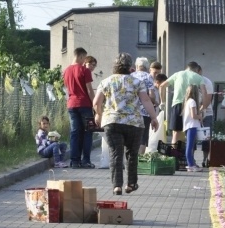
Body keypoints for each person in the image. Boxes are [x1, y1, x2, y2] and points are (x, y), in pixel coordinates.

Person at [93, 53, 159, 195]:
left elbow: (96, 102)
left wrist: (98, 114)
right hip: (134, 123)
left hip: (112, 122)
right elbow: (146, 100)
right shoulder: (137, 82)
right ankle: (131, 184)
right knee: (132, 154)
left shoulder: (105, 82)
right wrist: (154, 117)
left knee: (115, 153)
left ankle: (117, 186)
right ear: (130, 67)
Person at [158, 61, 205, 147]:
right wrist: (202, 107)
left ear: (187, 68)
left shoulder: (177, 74)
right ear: (196, 69)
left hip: (178, 104)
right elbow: (204, 92)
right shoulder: (199, 77)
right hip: (192, 105)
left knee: (176, 132)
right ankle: (190, 153)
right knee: (191, 131)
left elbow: (162, 86)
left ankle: (175, 152)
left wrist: (162, 101)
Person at [63, 47, 96, 169]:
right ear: (81, 56)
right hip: (85, 104)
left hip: (71, 104)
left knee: (75, 132)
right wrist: (95, 104)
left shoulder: (66, 71)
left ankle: (74, 161)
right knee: (88, 132)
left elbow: (67, 88)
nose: (84, 61)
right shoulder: (84, 70)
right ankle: (86, 160)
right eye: (84, 58)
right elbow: (89, 89)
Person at [132, 57, 160, 155]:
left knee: (132, 136)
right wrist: (155, 102)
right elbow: (151, 95)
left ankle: (130, 158)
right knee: (143, 137)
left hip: (132, 111)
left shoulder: (131, 76)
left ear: (136, 66)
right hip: (144, 111)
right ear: (147, 67)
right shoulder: (148, 77)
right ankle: (139, 158)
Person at [182, 84, 203, 172]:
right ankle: (190, 164)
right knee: (190, 146)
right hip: (192, 125)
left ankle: (191, 163)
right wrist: (200, 116)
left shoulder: (187, 101)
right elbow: (193, 115)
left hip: (188, 126)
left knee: (189, 145)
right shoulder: (193, 102)